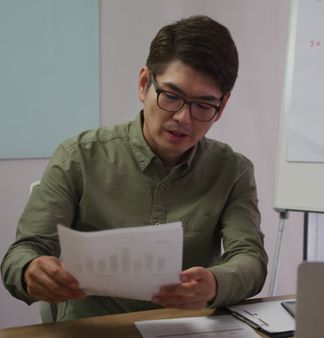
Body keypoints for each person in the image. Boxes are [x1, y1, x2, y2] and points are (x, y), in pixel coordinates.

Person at [1, 15, 268, 321]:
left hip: (183, 327)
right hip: (93, 329)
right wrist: (31, 271)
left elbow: (251, 259)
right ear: (144, 84)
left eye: (203, 106)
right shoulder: (78, 157)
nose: (184, 118)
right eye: (171, 96)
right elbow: (22, 252)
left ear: (222, 106)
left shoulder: (233, 171)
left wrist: (215, 283)